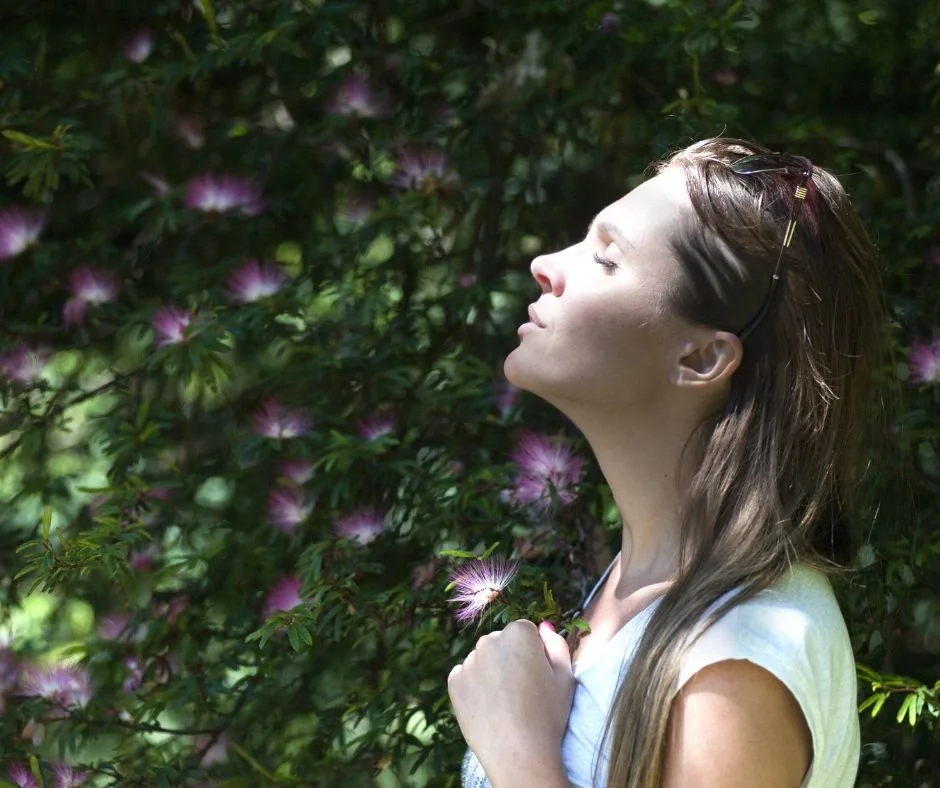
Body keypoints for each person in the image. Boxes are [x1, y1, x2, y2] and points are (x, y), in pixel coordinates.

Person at [448, 137, 891, 788]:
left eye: (606, 258)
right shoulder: (640, 589)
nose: (545, 263)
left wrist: (518, 754)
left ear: (701, 360)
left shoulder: (737, 660)